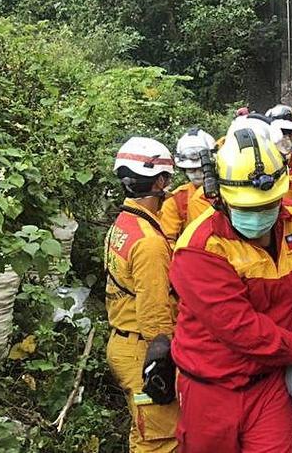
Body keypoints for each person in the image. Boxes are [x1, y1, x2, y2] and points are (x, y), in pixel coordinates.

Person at [169, 121, 292, 452]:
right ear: (220, 196)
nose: (258, 216)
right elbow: (239, 328)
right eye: (247, 208)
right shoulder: (200, 248)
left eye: (267, 205)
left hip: (269, 382)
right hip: (210, 387)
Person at [105, 137, 179, 452]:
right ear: (160, 181)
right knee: (161, 441)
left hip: (125, 343)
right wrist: (165, 360)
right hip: (145, 351)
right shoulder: (149, 242)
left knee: (144, 431)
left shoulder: (123, 223)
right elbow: (155, 316)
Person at [160, 128, 217, 242]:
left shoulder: (230, 190)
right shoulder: (176, 199)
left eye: (202, 169)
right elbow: (169, 238)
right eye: (191, 170)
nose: (197, 174)